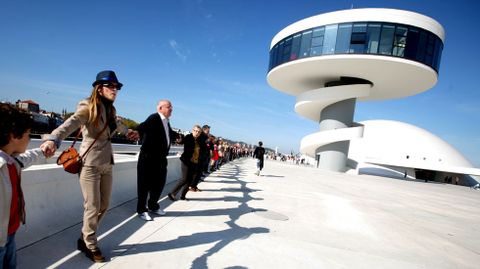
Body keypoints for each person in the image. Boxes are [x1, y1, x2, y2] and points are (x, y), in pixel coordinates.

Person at [41, 70, 134, 263]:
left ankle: (85, 235)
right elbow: (71, 123)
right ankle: (89, 243)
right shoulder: (88, 107)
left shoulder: (112, 110)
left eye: (117, 87)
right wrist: (54, 139)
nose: (115, 90)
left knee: (104, 205)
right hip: (89, 164)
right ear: (99, 89)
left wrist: (130, 132)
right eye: (111, 86)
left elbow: (118, 125)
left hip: (107, 163)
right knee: (92, 206)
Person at [1, 103, 51, 269]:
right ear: (14, 136)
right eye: (28, 134)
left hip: (9, 232)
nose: (30, 139)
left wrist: (43, 149)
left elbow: (27, 157)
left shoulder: (11, 161)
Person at [135, 100, 179, 221]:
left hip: (160, 159)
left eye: (172, 107)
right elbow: (142, 127)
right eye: (169, 106)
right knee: (144, 185)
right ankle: (141, 210)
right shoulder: (154, 118)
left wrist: (180, 137)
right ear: (160, 108)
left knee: (159, 184)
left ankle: (153, 205)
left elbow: (168, 134)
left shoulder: (166, 122)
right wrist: (135, 132)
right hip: (148, 158)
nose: (171, 109)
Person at [168, 125, 204, 201]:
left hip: (195, 162)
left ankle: (183, 196)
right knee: (185, 179)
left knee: (190, 180)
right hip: (186, 161)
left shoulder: (199, 140)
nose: (197, 133)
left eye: (199, 132)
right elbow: (181, 141)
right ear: (192, 130)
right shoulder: (188, 137)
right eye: (195, 131)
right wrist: (179, 139)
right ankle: (172, 193)